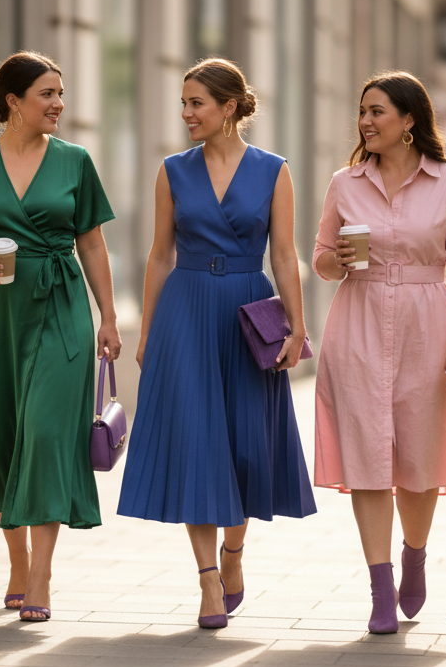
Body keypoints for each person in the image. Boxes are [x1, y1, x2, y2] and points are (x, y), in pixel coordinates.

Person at [117, 58, 317, 629]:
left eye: (196, 103)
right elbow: (159, 254)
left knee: (244, 446)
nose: (186, 114)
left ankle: (233, 554)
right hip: (185, 311)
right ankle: (207, 580)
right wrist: (150, 329)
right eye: (183, 103)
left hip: (248, 312)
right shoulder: (172, 172)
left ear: (229, 107)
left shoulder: (274, 170)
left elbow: (283, 254)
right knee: (198, 447)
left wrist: (298, 326)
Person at [0, 51, 120, 623]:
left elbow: (90, 242)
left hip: (61, 303)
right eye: (47, 93)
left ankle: (40, 574)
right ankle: (16, 560)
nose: (58, 103)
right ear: (13, 101)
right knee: (5, 436)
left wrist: (108, 317)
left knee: (43, 432)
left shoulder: (75, 161)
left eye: (60, 93)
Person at [312, 71, 446, 634]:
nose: (365, 122)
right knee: (367, 458)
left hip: (426, 323)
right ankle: (380, 586)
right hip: (358, 320)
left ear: (409, 120)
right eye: (362, 111)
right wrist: (337, 259)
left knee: (418, 458)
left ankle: (414, 552)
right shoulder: (345, 183)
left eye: (377, 111)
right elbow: (319, 260)